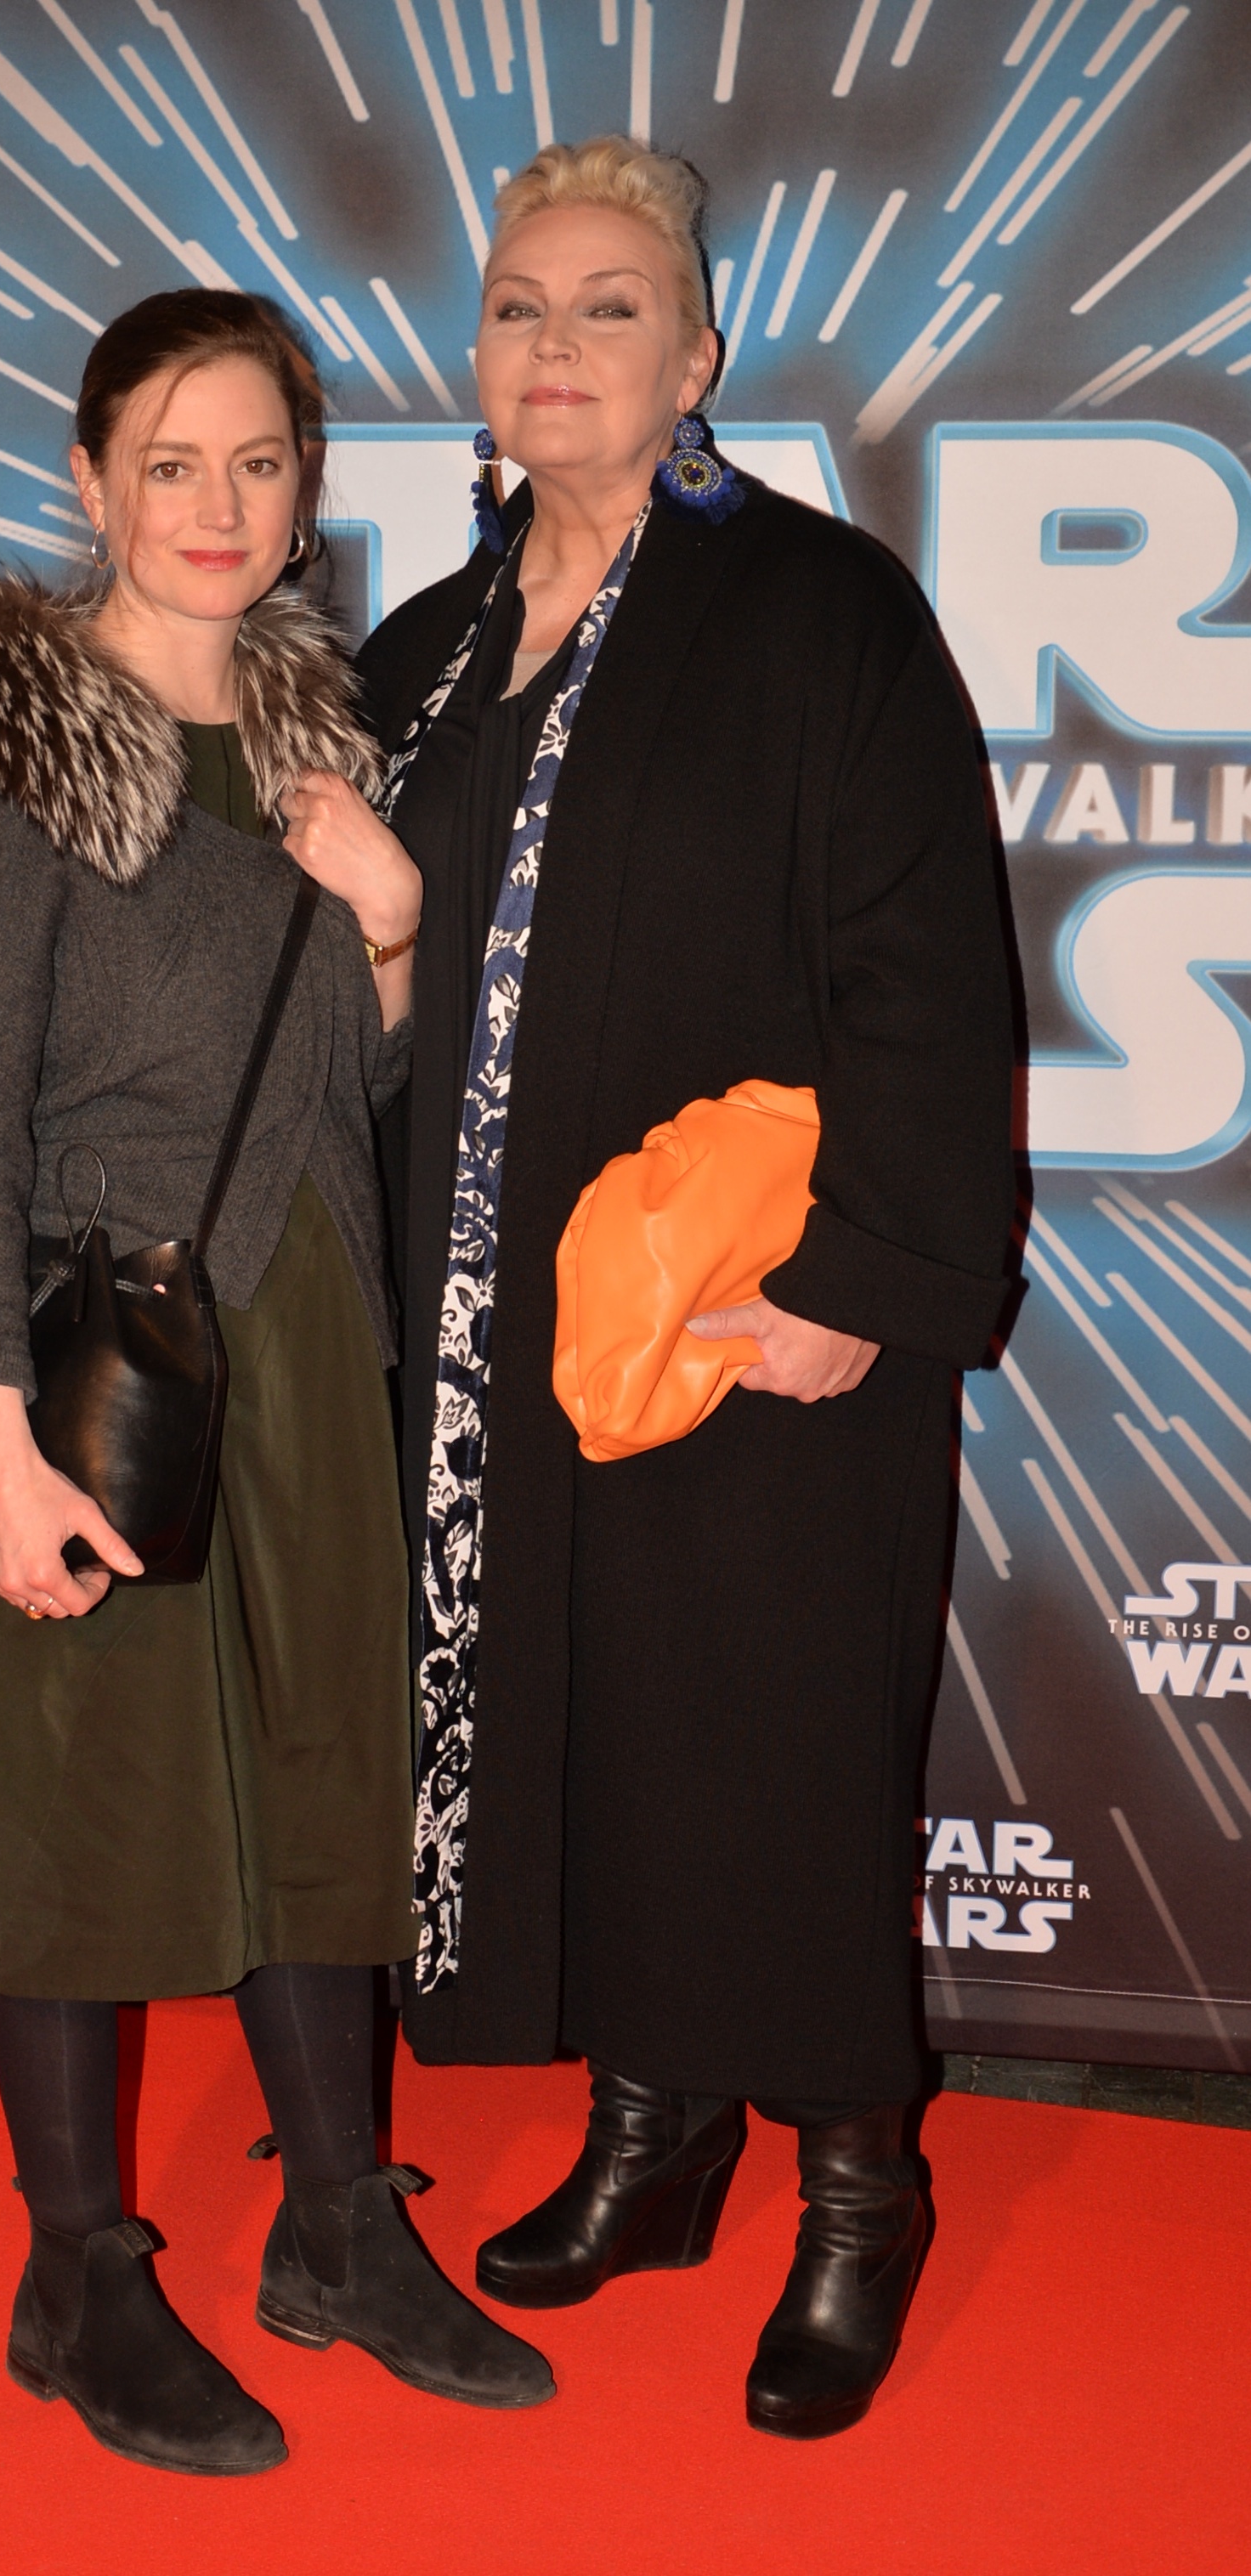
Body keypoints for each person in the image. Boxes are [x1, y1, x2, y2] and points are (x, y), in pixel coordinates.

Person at [301, 138, 1018, 2439]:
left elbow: (931, 972)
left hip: (755, 1318)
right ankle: (655, 2128)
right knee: (589, 1733)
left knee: (774, 1746)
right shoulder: (418, 655)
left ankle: (857, 2189)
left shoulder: (822, 614)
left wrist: (866, 1282)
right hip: (497, 1340)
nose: (559, 344)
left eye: (611, 306)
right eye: (522, 305)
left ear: (696, 355)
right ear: (476, 354)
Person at [0, 288, 552, 2478]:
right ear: (91, 482)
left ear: (304, 487)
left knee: (328, 1775)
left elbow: (354, 1091)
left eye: (260, 463)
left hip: (310, 1329)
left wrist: (393, 923)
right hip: (90, 1355)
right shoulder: (12, 749)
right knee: (82, 1801)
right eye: (172, 463)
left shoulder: (312, 739)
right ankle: (77, 2276)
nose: (219, 507)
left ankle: (341, 2223)